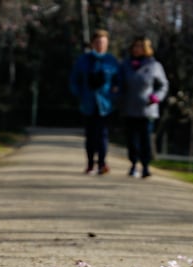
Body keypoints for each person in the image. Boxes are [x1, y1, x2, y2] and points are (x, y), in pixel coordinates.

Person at [70, 29, 120, 175]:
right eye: (98, 42)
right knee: (90, 135)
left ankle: (103, 163)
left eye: (103, 43)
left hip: (105, 104)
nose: (100, 45)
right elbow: (74, 80)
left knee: (103, 135)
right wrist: (80, 94)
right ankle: (91, 163)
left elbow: (119, 82)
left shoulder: (112, 61)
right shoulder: (83, 60)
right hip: (88, 103)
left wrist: (114, 95)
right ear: (93, 43)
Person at [120, 36, 169, 178]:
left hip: (147, 109)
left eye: (140, 46)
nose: (137, 49)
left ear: (146, 48)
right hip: (129, 108)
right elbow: (120, 83)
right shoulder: (125, 65)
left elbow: (163, 85)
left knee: (145, 138)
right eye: (135, 46)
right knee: (131, 139)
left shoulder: (154, 66)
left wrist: (156, 97)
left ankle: (146, 166)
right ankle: (133, 164)